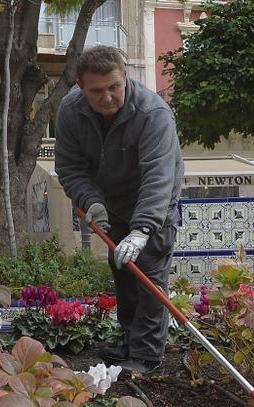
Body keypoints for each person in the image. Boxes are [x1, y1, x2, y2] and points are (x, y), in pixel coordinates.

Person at [55, 46, 184, 375]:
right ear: (81, 87)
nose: (108, 97)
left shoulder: (152, 113)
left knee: (149, 278)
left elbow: (158, 176)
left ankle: (146, 355)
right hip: (110, 207)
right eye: (97, 91)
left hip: (154, 206)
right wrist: (92, 203)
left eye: (114, 87)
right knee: (123, 272)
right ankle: (130, 339)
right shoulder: (70, 111)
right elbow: (71, 169)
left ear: (125, 77)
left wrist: (142, 230)